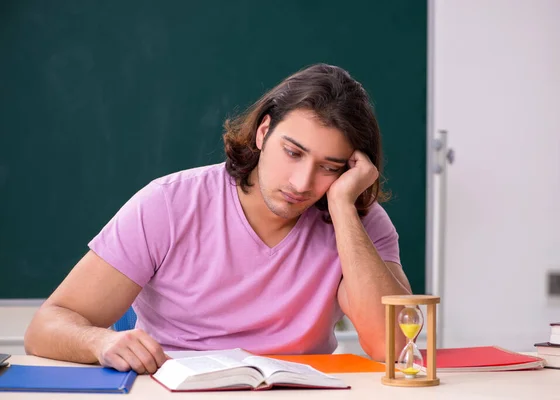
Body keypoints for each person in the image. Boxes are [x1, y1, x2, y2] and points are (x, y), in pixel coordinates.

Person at [24, 63, 412, 374]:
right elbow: (46, 326)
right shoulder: (169, 203)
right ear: (263, 132)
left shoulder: (359, 222)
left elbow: (392, 345)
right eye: (293, 153)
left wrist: (344, 208)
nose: (302, 182)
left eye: (328, 167)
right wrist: (100, 341)